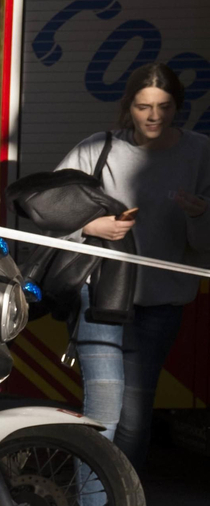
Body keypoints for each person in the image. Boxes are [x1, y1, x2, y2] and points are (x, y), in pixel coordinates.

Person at [57, 62, 210, 469]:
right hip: (101, 296)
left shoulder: (200, 152)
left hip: (161, 304)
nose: (154, 116)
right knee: (104, 415)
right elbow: (51, 207)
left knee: (135, 420)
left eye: (164, 106)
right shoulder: (97, 148)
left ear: (178, 107)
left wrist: (199, 215)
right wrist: (92, 224)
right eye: (144, 107)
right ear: (129, 106)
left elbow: (205, 244)